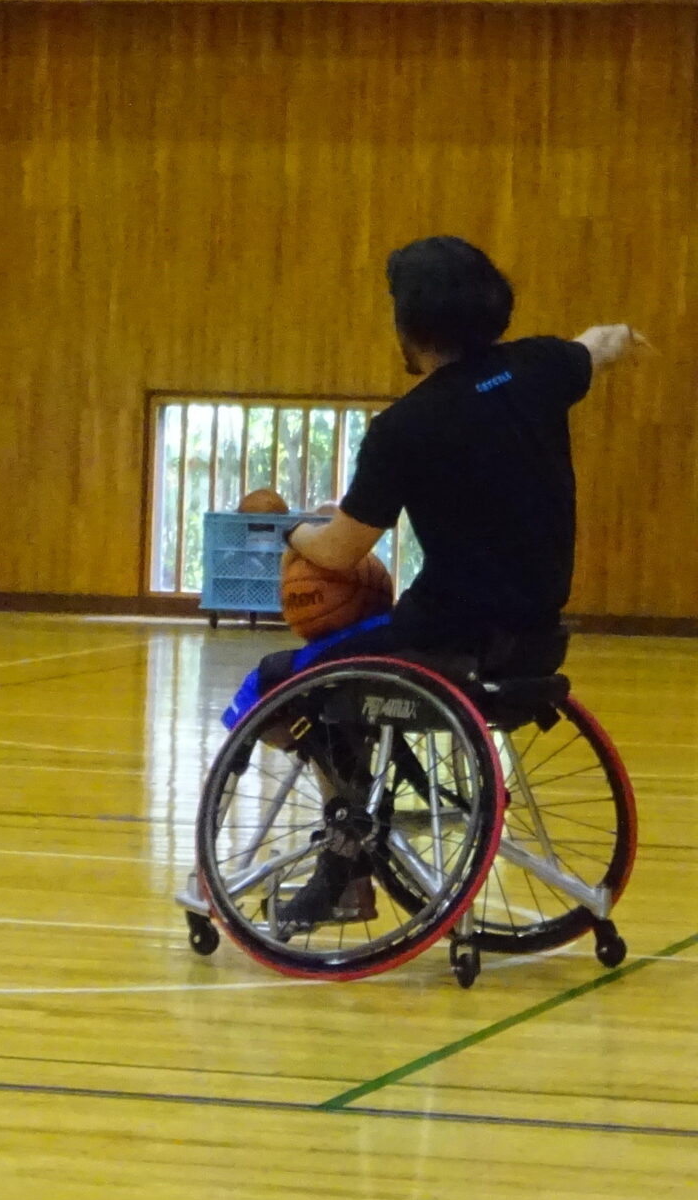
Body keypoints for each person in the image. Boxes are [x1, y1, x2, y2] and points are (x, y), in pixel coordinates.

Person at [239, 239, 638, 930]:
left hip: (444, 642)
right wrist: (624, 336)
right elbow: (597, 345)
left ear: (409, 323)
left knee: (277, 684)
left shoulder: (406, 428)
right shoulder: (541, 367)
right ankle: (358, 829)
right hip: (535, 641)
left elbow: (340, 551)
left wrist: (293, 531)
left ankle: (346, 861)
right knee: (346, 670)